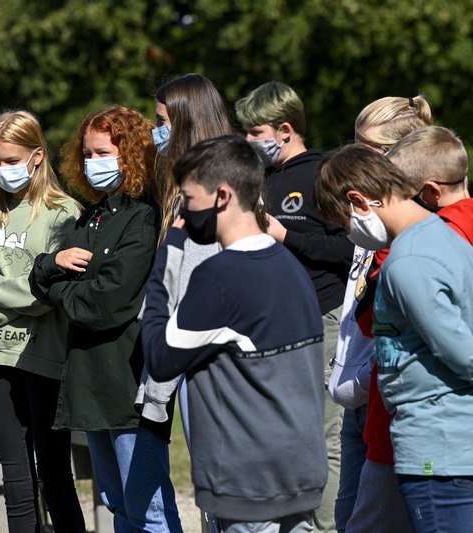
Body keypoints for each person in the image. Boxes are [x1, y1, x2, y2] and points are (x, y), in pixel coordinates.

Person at [143, 135, 327, 532]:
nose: (184, 215)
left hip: (247, 485)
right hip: (299, 472)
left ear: (222, 196)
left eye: (189, 201)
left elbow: (160, 358)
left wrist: (168, 258)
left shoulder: (219, 277)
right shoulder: (290, 266)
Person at [29, 105, 182, 532]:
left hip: (128, 383)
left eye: (103, 153)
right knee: (117, 504)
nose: (93, 162)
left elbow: (104, 304)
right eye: (88, 153)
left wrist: (57, 283)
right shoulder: (91, 215)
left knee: (148, 508)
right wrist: (50, 264)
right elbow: (40, 277)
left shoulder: (146, 217)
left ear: (130, 155)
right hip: (87, 385)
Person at [314, 143, 473, 533]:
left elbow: (465, 355)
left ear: (358, 201)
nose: (348, 233)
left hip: (438, 453)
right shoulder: (442, 236)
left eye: (341, 222)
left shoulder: (407, 262)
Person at [0, 110, 85, 532]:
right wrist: (16, 291)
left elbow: (49, 295)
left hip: (43, 357)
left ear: (36, 157)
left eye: (11, 161)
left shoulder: (64, 214)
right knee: (14, 480)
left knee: (54, 476)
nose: (2, 171)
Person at [236, 81, 354, 533]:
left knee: (324, 436)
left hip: (320, 316)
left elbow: (346, 249)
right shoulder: (261, 178)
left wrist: (285, 235)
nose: (249, 141)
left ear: (285, 130)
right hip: (271, 325)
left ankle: (328, 527)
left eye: (256, 131)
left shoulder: (323, 172)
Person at [329, 95, 431, 533]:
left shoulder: (419, 230)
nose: (353, 157)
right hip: (359, 396)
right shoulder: (367, 217)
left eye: (366, 148)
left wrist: (371, 375)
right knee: (347, 513)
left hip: (388, 398)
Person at [140, 73, 235, 445]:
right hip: (206, 355)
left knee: (218, 484)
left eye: (162, 122)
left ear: (186, 123)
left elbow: (189, 291)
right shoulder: (202, 184)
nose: (156, 132)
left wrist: (158, 386)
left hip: (208, 360)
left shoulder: (207, 192)